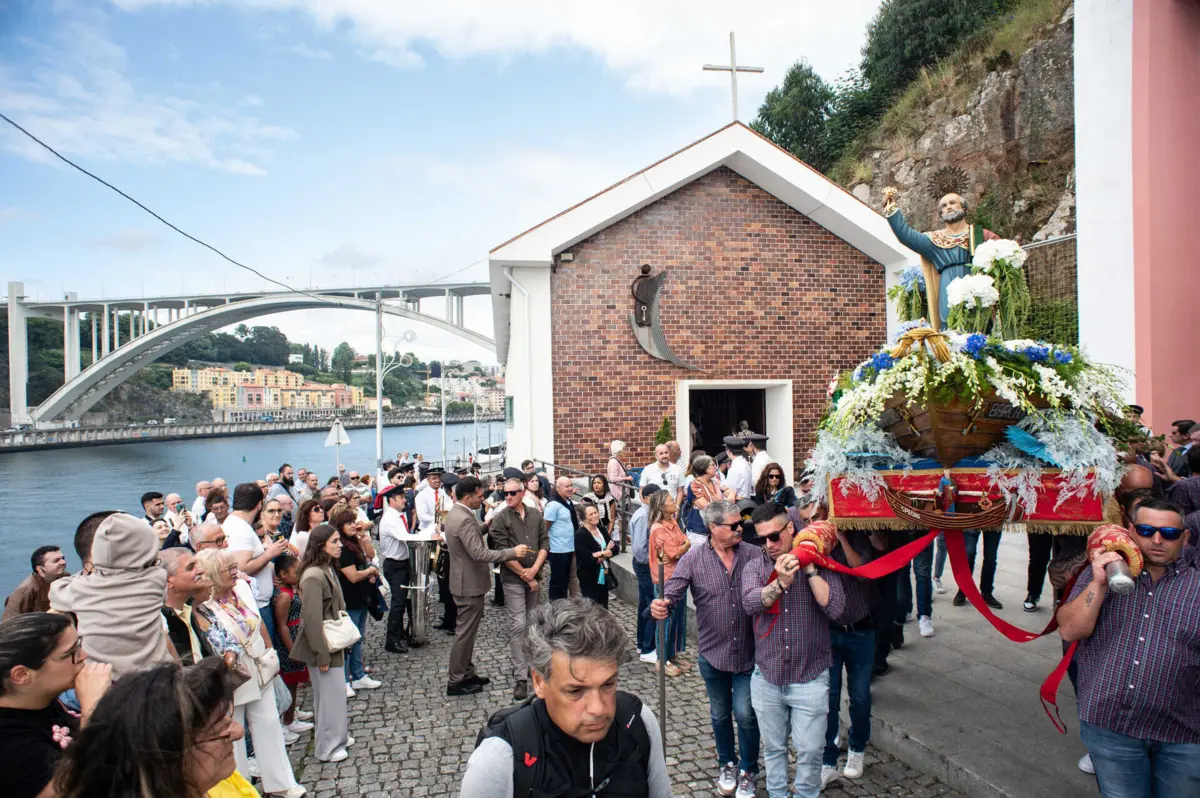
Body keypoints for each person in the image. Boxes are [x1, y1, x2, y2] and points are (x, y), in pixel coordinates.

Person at [1058, 497, 1200, 795]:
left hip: (1183, 734)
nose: (1157, 540)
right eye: (1147, 531)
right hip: (1110, 727)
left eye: (1169, 534)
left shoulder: (1196, 586)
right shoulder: (1103, 572)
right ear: (1131, 531)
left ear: (1185, 537)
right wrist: (1098, 583)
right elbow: (1070, 630)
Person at [460, 599, 672, 798]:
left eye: (608, 685)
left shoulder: (638, 721)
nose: (598, 709)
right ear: (539, 681)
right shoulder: (498, 760)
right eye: (575, 691)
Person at [651, 500, 763, 798]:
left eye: (742, 523)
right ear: (713, 528)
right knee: (720, 713)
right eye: (734, 525)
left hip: (750, 652)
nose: (741, 528)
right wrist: (660, 604)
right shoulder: (694, 559)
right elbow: (672, 590)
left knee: (746, 714)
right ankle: (727, 763)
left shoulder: (754, 554)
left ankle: (749, 770)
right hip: (713, 653)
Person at [743, 502, 847, 798]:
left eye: (774, 536)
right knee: (773, 749)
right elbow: (750, 603)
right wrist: (780, 584)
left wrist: (809, 565)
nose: (769, 545)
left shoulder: (819, 560)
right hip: (768, 676)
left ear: (790, 528)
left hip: (810, 676)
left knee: (811, 751)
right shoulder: (755, 566)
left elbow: (836, 608)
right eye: (762, 539)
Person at [52, 656, 250, 798]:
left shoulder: (219, 783)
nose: (239, 732)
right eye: (221, 731)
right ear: (168, 758)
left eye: (228, 719)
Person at [193, 549, 304, 798]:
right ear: (213, 574)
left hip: (258, 664)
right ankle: (241, 788)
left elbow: (259, 623)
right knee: (233, 735)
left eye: (235, 566)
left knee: (269, 723)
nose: (236, 572)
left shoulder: (241, 588)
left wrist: (271, 655)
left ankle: (281, 782)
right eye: (229, 569)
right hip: (231, 675)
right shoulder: (203, 606)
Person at [0, 613, 112, 798]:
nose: (84, 655)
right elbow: (70, 791)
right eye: (70, 653)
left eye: (79, 645)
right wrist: (93, 708)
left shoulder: (42, 700)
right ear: (22, 675)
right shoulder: (9, 744)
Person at [49, 513, 174, 678]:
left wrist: (92, 575)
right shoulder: (156, 579)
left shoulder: (82, 588)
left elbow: (56, 591)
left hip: (105, 677)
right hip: (156, 674)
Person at [443, 475, 529, 696]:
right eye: (480, 497)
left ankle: (467, 672)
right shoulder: (463, 518)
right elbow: (479, 553)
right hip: (468, 585)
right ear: (468, 497)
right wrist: (511, 552)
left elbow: (469, 537)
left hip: (465, 582)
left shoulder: (458, 513)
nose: (483, 500)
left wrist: (485, 525)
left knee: (468, 633)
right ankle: (456, 680)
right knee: (464, 635)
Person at [882, 188, 998, 330]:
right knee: (948, 323)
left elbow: (1001, 252)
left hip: (976, 285)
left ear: (964, 208)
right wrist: (892, 210)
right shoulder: (934, 240)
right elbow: (906, 235)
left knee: (979, 324)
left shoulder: (980, 235)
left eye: (952, 203)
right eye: (944, 205)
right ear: (941, 214)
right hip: (947, 286)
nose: (948, 207)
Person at [820, 526, 883, 790]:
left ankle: (857, 747)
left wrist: (842, 538)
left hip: (860, 631)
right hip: (830, 632)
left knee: (859, 696)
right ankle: (828, 760)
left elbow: (861, 571)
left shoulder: (857, 536)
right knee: (829, 697)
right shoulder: (816, 539)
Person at [289, 524, 352, 763]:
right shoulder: (314, 575)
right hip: (323, 643)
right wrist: (321, 653)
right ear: (320, 545)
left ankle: (337, 736)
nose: (340, 545)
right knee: (327, 696)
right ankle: (327, 746)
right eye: (334, 541)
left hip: (330, 640)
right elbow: (312, 619)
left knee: (334, 694)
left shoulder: (325, 568)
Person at [488, 476, 548, 700]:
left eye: (513, 492)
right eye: (505, 493)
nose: (509, 496)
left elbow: (544, 543)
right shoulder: (500, 518)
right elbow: (502, 552)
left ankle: (535, 668)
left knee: (533, 624)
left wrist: (535, 571)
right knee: (518, 624)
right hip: (513, 579)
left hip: (535, 574)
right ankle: (520, 676)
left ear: (522, 493)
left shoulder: (535, 514)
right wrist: (525, 574)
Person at [329, 505, 382, 695]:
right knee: (348, 641)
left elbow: (371, 555)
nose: (353, 525)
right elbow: (352, 576)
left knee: (358, 638)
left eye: (353, 521)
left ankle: (358, 675)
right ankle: (344, 680)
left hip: (361, 597)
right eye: (348, 523)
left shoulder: (354, 542)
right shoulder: (342, 548)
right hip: (349, 598)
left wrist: (364, 539)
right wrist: (370, 571)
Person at [226, 484, 286, 640]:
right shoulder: (241, 530)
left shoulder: (234, 524)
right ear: (259, 505)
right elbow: (241, 568)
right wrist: (269, 554)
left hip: (257, 602)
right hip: (256, 606)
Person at [270, 552, 314, 737]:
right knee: (290, 682)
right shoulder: (284, 596)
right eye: (296, 572)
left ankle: (292, 712)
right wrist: (292, 649)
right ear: (283, 574)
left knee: (294, 682)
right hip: (289, 641)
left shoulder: (290, 590)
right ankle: (288, 720)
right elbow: (282, 625)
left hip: (296, 636)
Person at [648, 489, 690, 677]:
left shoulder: (672, 521)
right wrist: (685, 546)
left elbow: (684, 542)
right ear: (661, 507)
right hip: (665, 579)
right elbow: (675, 553)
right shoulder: (658, 529)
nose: (675, 501)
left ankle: (672, 654)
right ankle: (661, 660)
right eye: (671, 500)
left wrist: (685, 545)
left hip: (678, 575)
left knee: (677, 618)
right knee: (665, 619)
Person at [160, 548, 215, 667]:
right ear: (168, 581)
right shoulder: (163, 621)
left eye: (197, 565)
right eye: (190, 567)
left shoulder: (188, 609)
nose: (201, 570)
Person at [376, 486, 414, 654]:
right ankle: (391, 640)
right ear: (392, 500)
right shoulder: (391, 518)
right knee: (398, 603)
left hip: (401, 563)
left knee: (402, 602)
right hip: (395, 565)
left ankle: (400, 634)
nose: (405, 500)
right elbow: (404, 537)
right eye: (401, 497)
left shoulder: (397, 516)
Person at [630, 483, 661, 664]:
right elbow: (639, 550)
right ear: (648, 498)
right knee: (650, 604)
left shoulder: (648, 514)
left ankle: (642, 643)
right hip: (645, 566)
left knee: (646, 604)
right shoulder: (644, 516)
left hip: (646, 565)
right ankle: (647, 647)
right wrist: (653, 561)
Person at [3, 546, 68, 622]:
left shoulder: (66, 578)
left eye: (63, 558)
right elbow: (8, 622)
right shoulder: (26, 590)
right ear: (40, 569)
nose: (63, 562)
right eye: (56, 560)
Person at [684, 455, 735, 545]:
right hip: (700, 532)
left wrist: (731, 496)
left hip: (717, 528)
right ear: (704, 468)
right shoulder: (694, 485)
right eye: (712, 465)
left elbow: (731, 491)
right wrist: (728, 502)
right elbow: (707, 507)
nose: (716, 468)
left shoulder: (715, 482)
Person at [574, 504, 616, 608]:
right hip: (589, 578)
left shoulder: (601, 529)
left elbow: (615, 549)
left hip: (604, 575)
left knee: (604, 606)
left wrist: (600, 554)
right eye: (590, 514)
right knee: (591, 608)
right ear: (584, 517)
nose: (594, 516)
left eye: (595, 513)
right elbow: (588, 560)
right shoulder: (580, 535)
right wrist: (605, 552)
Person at [952, 527, 1004, 610]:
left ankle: (986, 592)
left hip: (993, 521)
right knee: (969, 553)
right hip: (973, 520)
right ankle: (963, 589)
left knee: (991, 556)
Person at [581, 474, 618, 541]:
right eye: (594, 483)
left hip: (606, 529)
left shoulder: (610, 499)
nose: (596, 485)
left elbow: (612, 517)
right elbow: (583, 518)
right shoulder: (587, 498)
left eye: (599, 483)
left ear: (604, 485)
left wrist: (608, 532)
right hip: (591, 530)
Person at [723, 436, 754, 501]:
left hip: (738, 503)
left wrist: (718, 484)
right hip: (746, 501)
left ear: (728, 451)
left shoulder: (735, 467)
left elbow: (729, 491)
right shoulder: (745, 463)